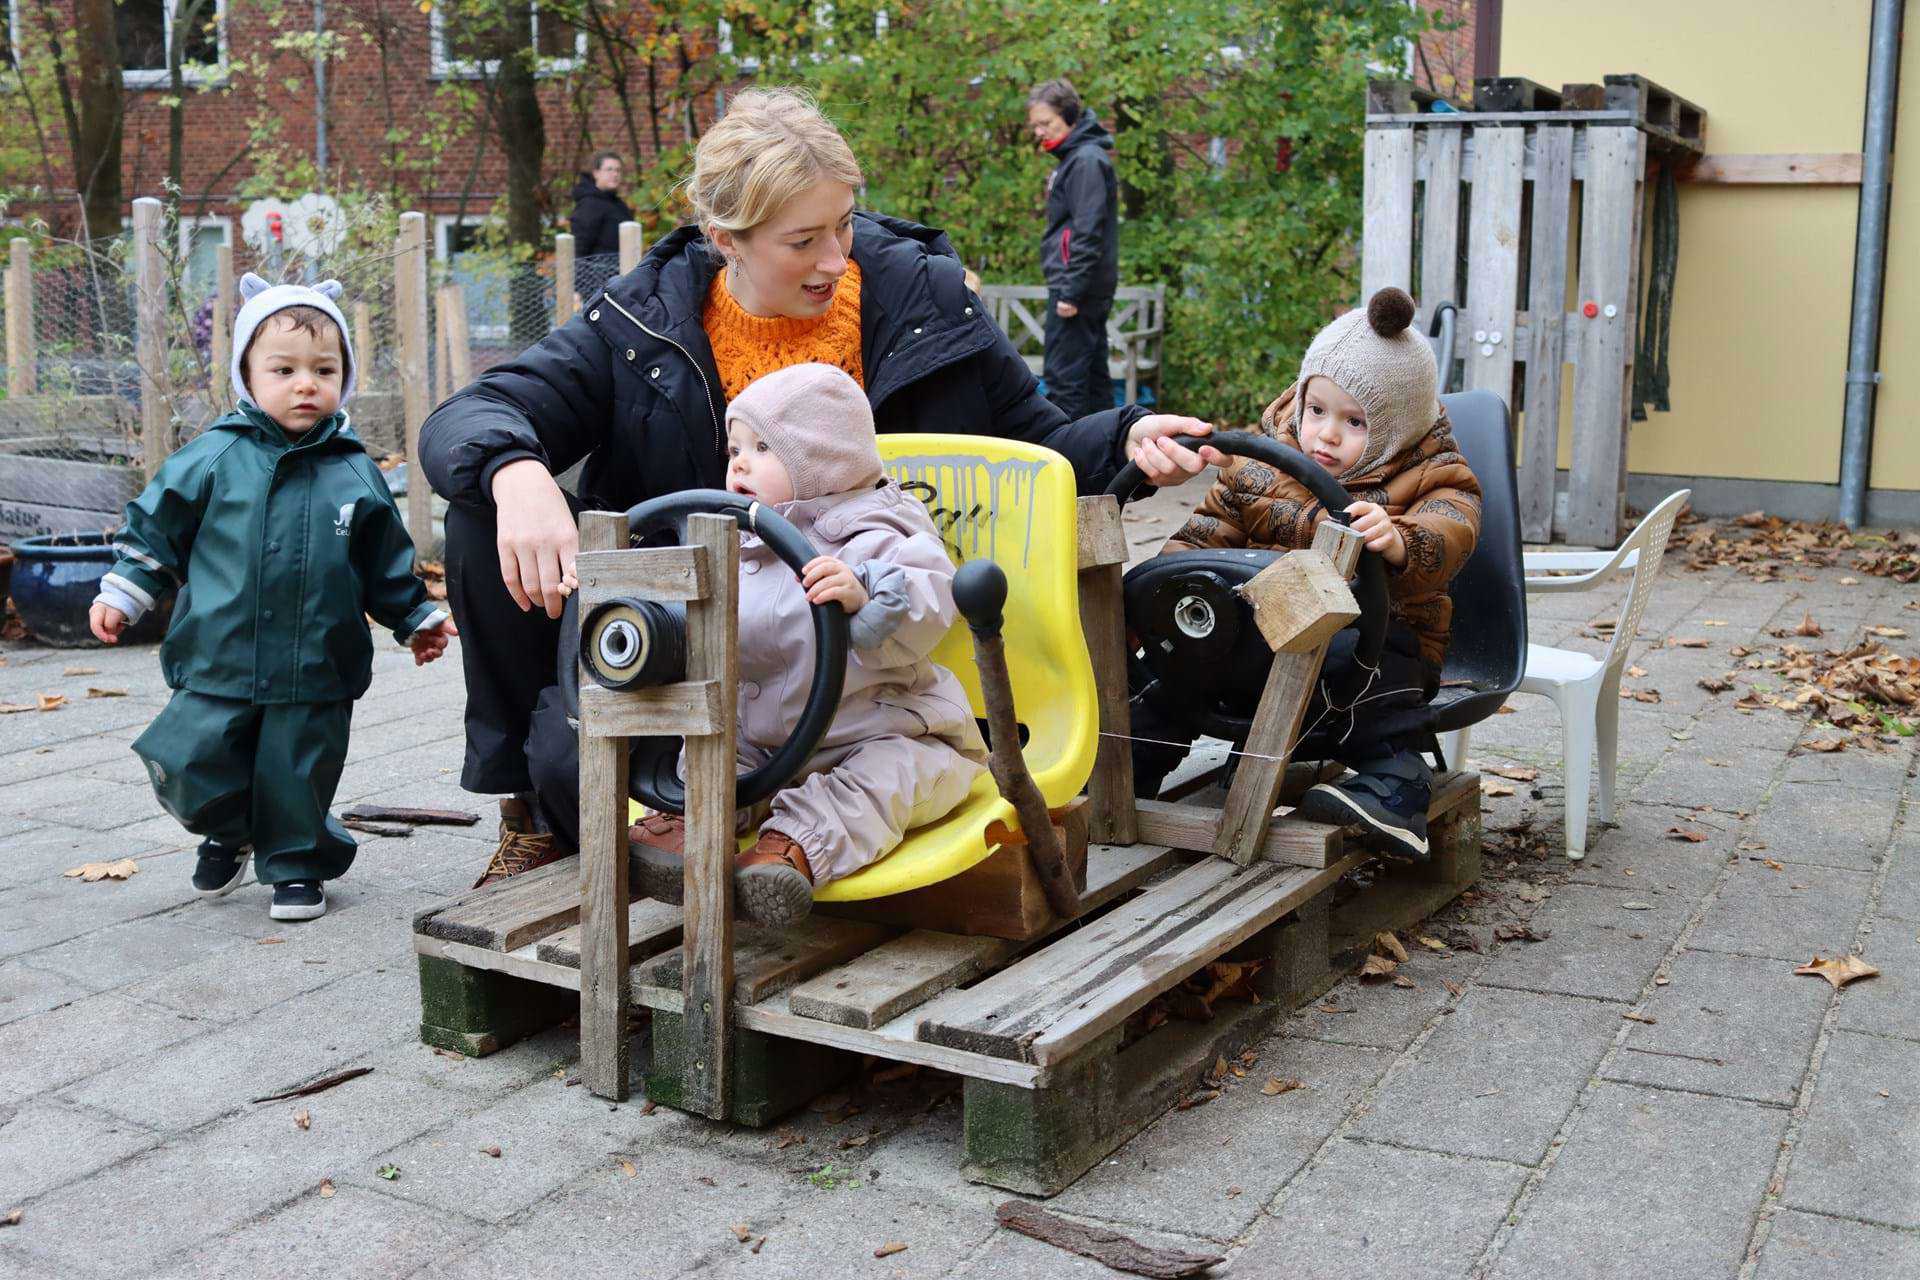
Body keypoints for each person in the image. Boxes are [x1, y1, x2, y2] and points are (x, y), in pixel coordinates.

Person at [419, 86, 1214, 886]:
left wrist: (1126, 436)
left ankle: (761, 829)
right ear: (725, 238)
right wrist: (518, 474)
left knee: (884, 761)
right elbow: (476, 413)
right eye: (804, 240)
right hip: (703, 657)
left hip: (872, 665)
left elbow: (1033, 439)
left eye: (844, 224)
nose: (838, 258)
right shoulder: (641, 325)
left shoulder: (917, 298)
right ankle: (533, 813)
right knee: (482, 506)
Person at [89, 275, 456, 921]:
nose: (305, 384)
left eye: (324, 369)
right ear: (247, 377)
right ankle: (229, 829)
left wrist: (415, 619)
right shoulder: (212, 456)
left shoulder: (355, 470)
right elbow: (157, 528)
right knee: (188, 760)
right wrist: (126, 590)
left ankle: (296, 864)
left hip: (316, 660)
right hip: (217, 654)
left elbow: (385, 563)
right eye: (283, 369)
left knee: (296, 773)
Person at [619, 363, 987, 928]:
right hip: (764, 744)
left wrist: (865, 597)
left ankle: (788, 853)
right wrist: (635, 608)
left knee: (883, 780)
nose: (738, 462)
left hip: (877, 733)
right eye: (734, 447)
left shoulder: (881, 530)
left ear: (824, 457)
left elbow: (931, 602)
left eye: (762, 447)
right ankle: (689, 821)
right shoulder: (732, 542)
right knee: (707, 748)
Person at [1133, 288, 1482, 861]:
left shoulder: (1435, 479)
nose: (1326, 434)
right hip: (1257, 643)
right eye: (1316, 410)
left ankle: (1394, 790)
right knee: (1172, 673)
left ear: (1399, 428)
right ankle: (1131, 758)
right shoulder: (1258, 465)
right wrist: (1155, 599)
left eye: (1355, 422)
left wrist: (1399, 542)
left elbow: (1452, 533)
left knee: (1375, 704)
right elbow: (1203, 538)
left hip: (1373, 644)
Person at [1028, 78, 1119, 423]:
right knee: (1094, 380)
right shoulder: (1075, 158)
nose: (1038, 131)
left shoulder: (1085, 161)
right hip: (1079, 287)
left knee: (1065, 381)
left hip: (1077, 291)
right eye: (1035, 124)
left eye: (1045, 123)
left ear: (1068, 117)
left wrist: (1071, 290)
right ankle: (1111, 467)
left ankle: (1074, 467)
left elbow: (1087, 231)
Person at [567, 150, 634, 301]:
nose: (615, 174)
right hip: (596, 285)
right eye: (609, 169)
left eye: (618, 170)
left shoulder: (618, 205)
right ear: (596, 173)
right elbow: (580, 248)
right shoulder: (589, 204)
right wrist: (578, 288)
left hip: (620, 280)